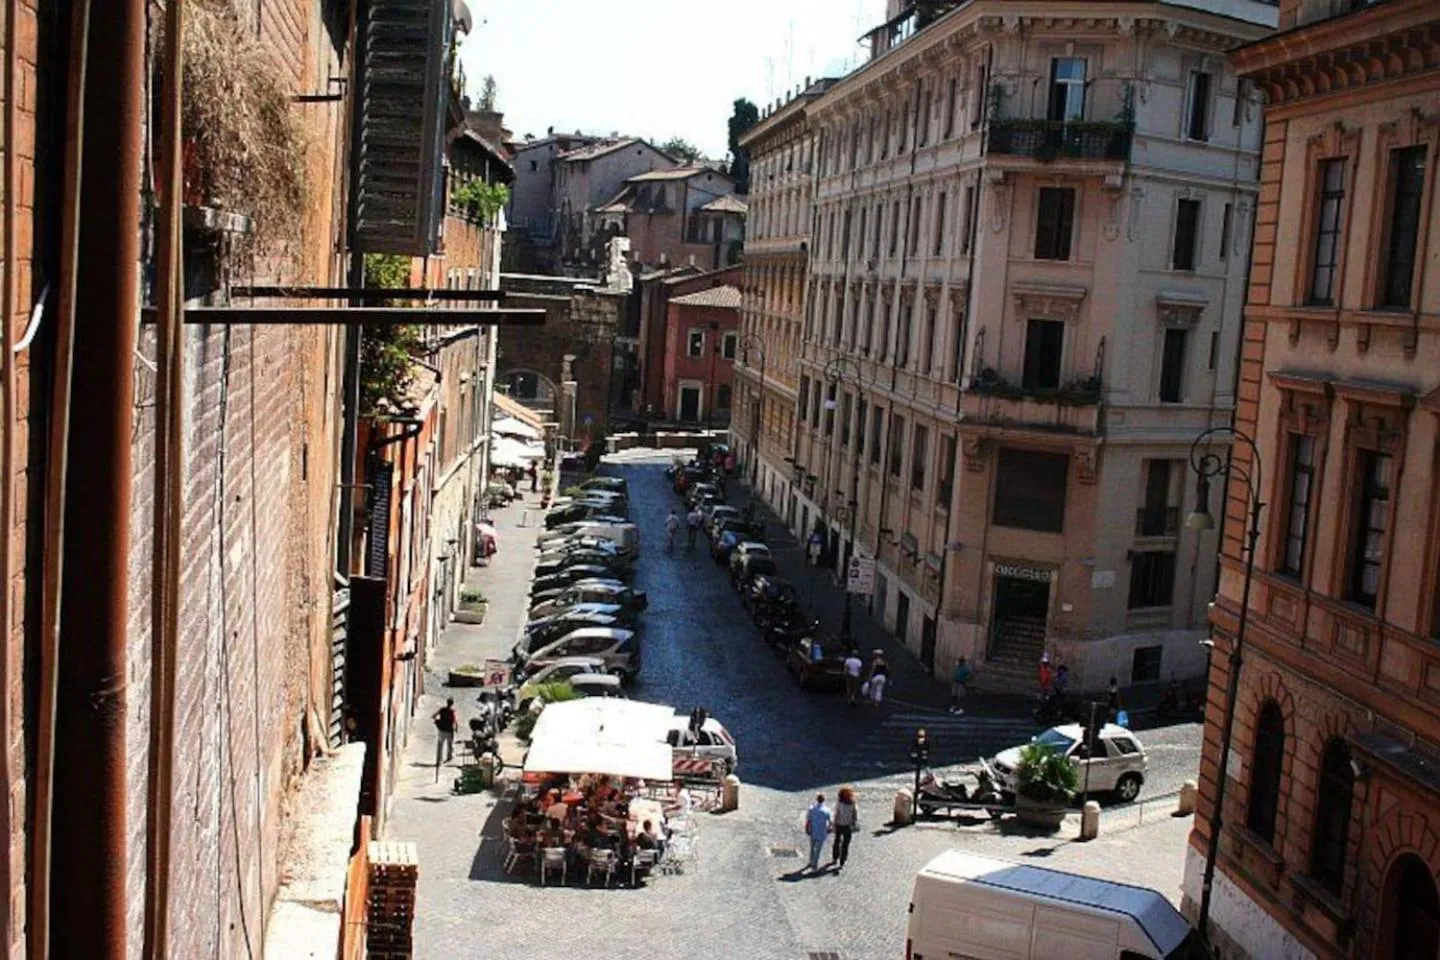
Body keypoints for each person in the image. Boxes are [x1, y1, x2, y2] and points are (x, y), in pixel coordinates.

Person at [804, 793, 833, 871]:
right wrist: (829, 829)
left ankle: (810, 861)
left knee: (812, 847)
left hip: (813, 831)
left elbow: (808, 820)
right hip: (822, 832)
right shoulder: (827, 810)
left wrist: (807, 828)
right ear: (824, 800)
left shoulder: (812, 809)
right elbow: (830, 821)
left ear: (817, 799)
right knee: (818, 850)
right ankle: (814, 865)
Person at [831, 786, 858, 869]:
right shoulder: (852, 802)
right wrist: (853, 821)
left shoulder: (839, 802)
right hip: (847, 825)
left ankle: (836, 858)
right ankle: (842, 860)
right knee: (845, 844)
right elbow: (855, 813)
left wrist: (834, 824)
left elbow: (837, 814)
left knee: (838, 842)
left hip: (840, 824)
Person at [431, 698, 457, 766]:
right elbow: (454, 721)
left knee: (440, 746)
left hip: (441, 730)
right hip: (449, 731)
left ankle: (439, 761)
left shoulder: (442, 710)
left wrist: (438, 720)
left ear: (447, 702)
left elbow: (433, 716)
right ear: (452, 704)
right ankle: (449, 757)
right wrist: (455, 728)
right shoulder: (452, 711)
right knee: (450, 745)